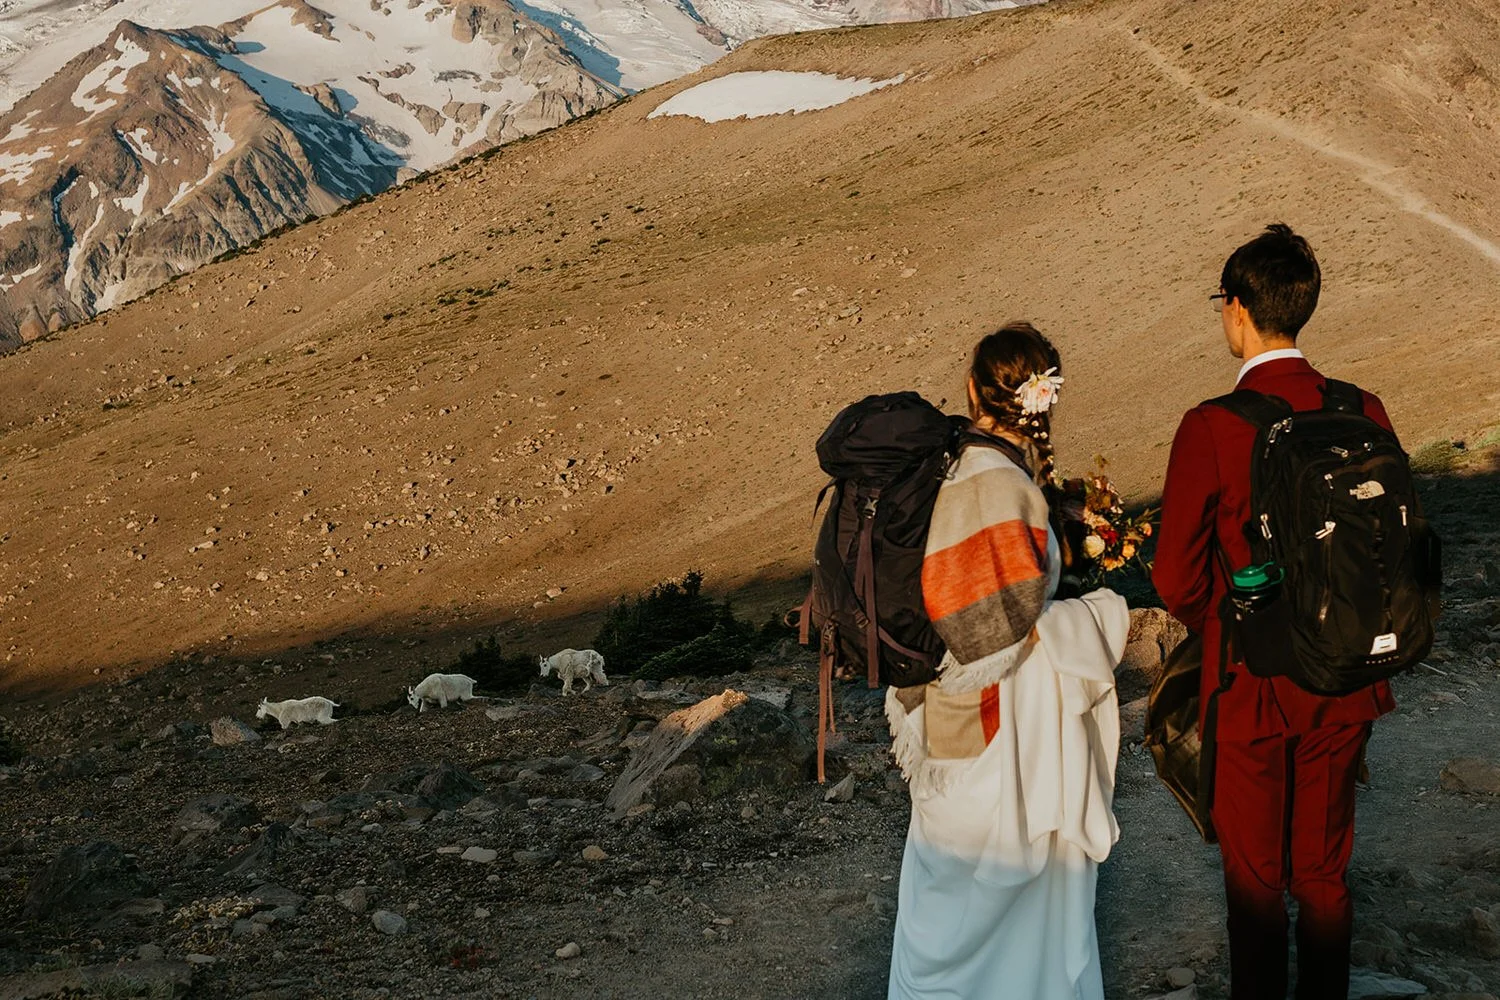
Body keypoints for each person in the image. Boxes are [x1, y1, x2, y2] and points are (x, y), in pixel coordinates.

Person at [1153, 224, 1398, 1000]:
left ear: (1236, 309)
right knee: (1323, 872)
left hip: (1251, 680)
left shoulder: (1213, 427)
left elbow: (1175, 579)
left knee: (1255, 878)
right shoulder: (1365, 408)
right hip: (1350, 672)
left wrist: (1230, 621)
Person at [886, 323, 1127, 1000]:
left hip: (947, 711)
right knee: (1006, 895)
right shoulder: (999, 482)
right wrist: (1101, 614)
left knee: (949, 888)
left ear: (972, 389)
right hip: (1002, 726)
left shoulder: (962, 468)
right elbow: (1005, 632)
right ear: (1046, 397)